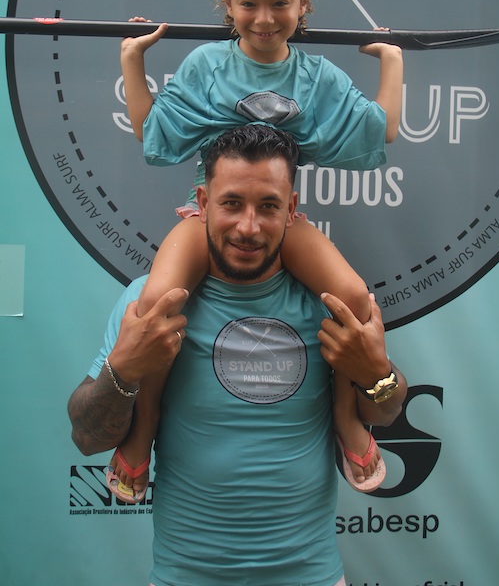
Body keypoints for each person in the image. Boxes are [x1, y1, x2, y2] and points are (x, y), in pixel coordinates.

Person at [112, 0, 403, 502]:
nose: (264, 19)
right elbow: (154, 133)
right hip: (207, 218)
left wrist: (391, 61)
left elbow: (381, 129)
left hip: (277, 220)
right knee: (155, 304)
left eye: (279, 3)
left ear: (303, 4)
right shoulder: (205, 65)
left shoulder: (317, 76)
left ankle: (347, 418)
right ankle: (144, 428)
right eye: (249, 3)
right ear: (227, 4)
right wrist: (133, 58)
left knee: (353, 298)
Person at [68, 124, 407, 586]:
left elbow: (386, 412)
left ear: (291, 210)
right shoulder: (148, 307)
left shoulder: (322, 300)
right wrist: (124, 370)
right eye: (231, 204)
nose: (248, 227)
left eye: (268, 206)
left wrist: (375, 374)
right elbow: (87, 437)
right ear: (203, 204)